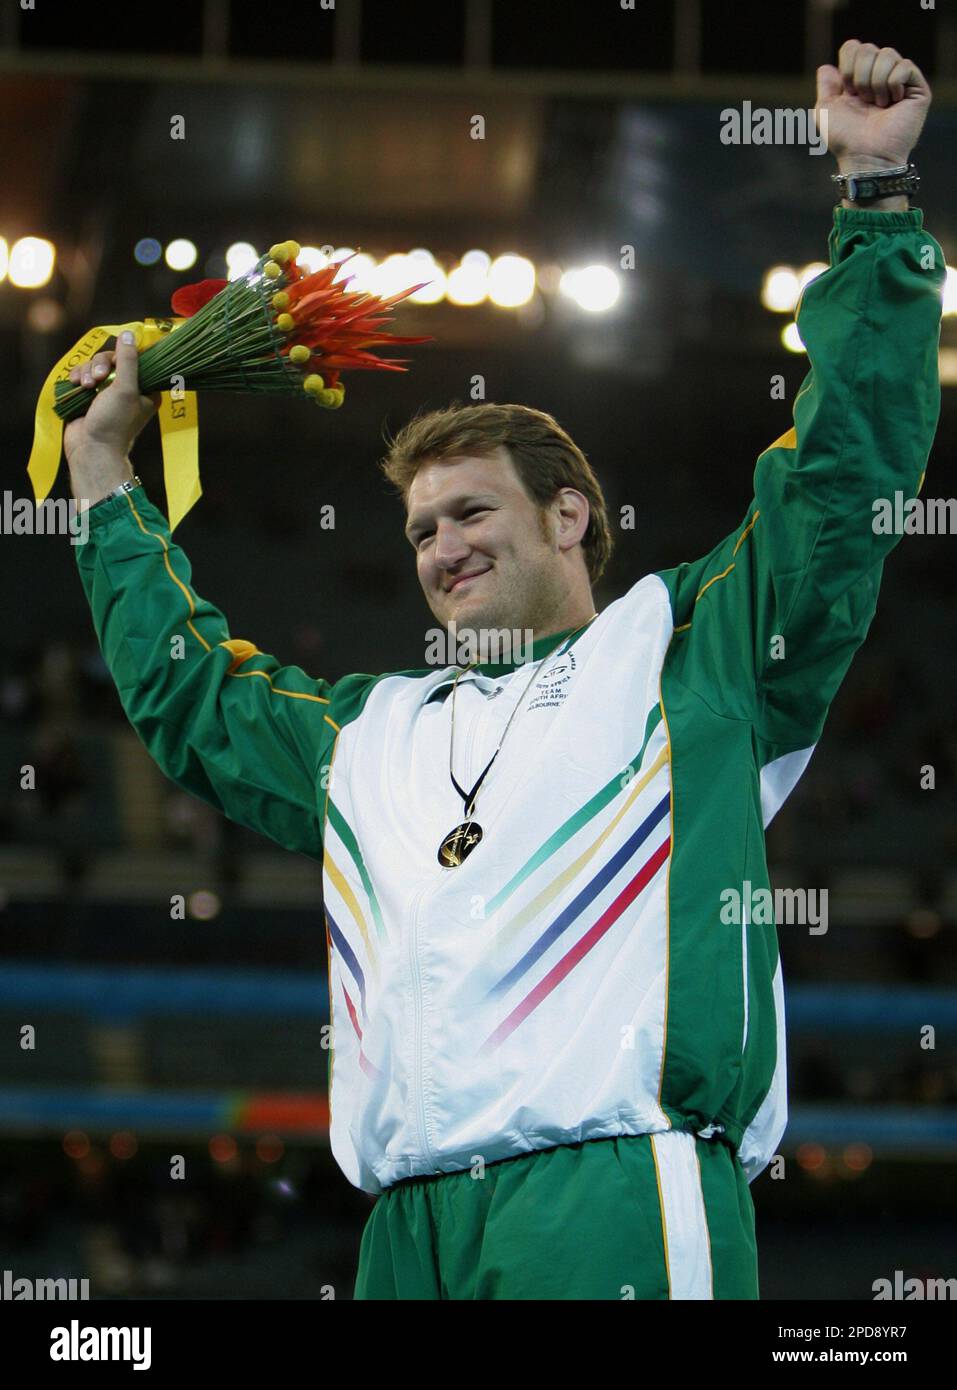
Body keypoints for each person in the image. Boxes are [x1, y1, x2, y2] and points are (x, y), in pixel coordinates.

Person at [63, 40, 942, 1299]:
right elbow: (192, 696)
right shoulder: (369, 733)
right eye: (421, 530)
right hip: (403, 1233)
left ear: (571, 514)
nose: (441, 547)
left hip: (611, 1200)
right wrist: (103, 479)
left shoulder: (691, 655)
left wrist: (871, 197)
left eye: (471, 513)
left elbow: (841, 474)